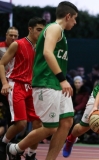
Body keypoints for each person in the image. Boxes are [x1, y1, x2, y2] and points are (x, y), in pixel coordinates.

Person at [6, 2, 78, 160]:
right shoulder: (54, 28)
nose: (75, 22)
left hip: (56, 85)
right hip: (47, 83)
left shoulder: (60, 32)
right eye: (74, 19)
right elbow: (47, 52)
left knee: (66, 122)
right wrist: (63, 79)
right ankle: (14, 148)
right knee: (50, 128)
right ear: (68, 16)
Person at [0, 17, 46, 160]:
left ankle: (31, 155)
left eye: (43, 30)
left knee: (39, 123)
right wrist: (5, 83)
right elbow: (1, 64)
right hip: (16, 85)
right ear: (30, 29)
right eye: (38, 29)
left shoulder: (43, 47)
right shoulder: (17, 44)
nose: (41, 33)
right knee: (21, 124)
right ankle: (3, 145)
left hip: (33, 88)